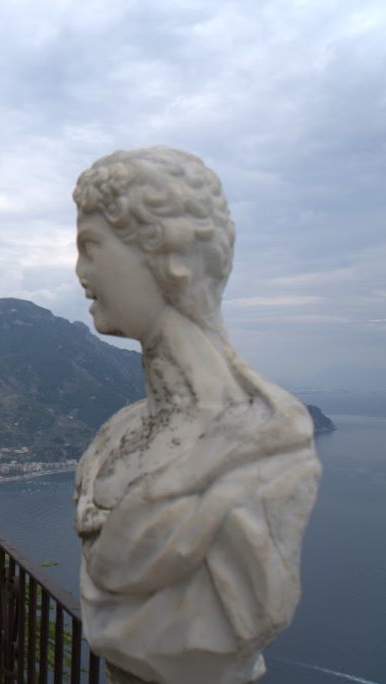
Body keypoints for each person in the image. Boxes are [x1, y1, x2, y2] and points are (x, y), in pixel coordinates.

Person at [71, 147, 322, 684]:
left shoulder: (270, 447)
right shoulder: (113, 436)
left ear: (167, 255)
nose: (79, 272)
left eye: (91, 247)